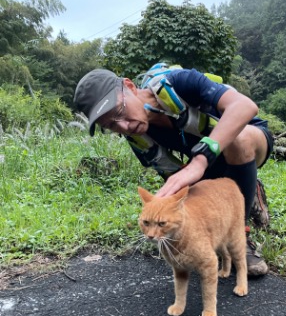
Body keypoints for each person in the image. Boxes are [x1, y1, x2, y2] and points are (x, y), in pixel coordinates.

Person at [74, 65, 273, 276]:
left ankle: (241, 234)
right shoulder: (138, 139)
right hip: (209, 165)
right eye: (111, 125)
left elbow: (245, 106)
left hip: (250, 141)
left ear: (129, 86)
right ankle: (241, 186)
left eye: (119, 111)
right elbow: (175, 179)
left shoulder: (179, 81)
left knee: (240, 140)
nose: (123, 127)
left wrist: (200, 160)